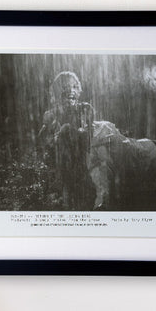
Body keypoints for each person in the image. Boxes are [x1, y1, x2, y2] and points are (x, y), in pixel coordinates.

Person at [37, 71, 95, 210]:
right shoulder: (52, 114)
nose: (71, 91)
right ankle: (62, 189)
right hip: (62, 163)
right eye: (65, 87)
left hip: (83, 160)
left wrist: (76, 132)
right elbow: (43, 141)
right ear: (57, 93)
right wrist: (52, 134)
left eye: (74, 87)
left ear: (79, 90)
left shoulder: (85, 109)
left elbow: (91, 134)